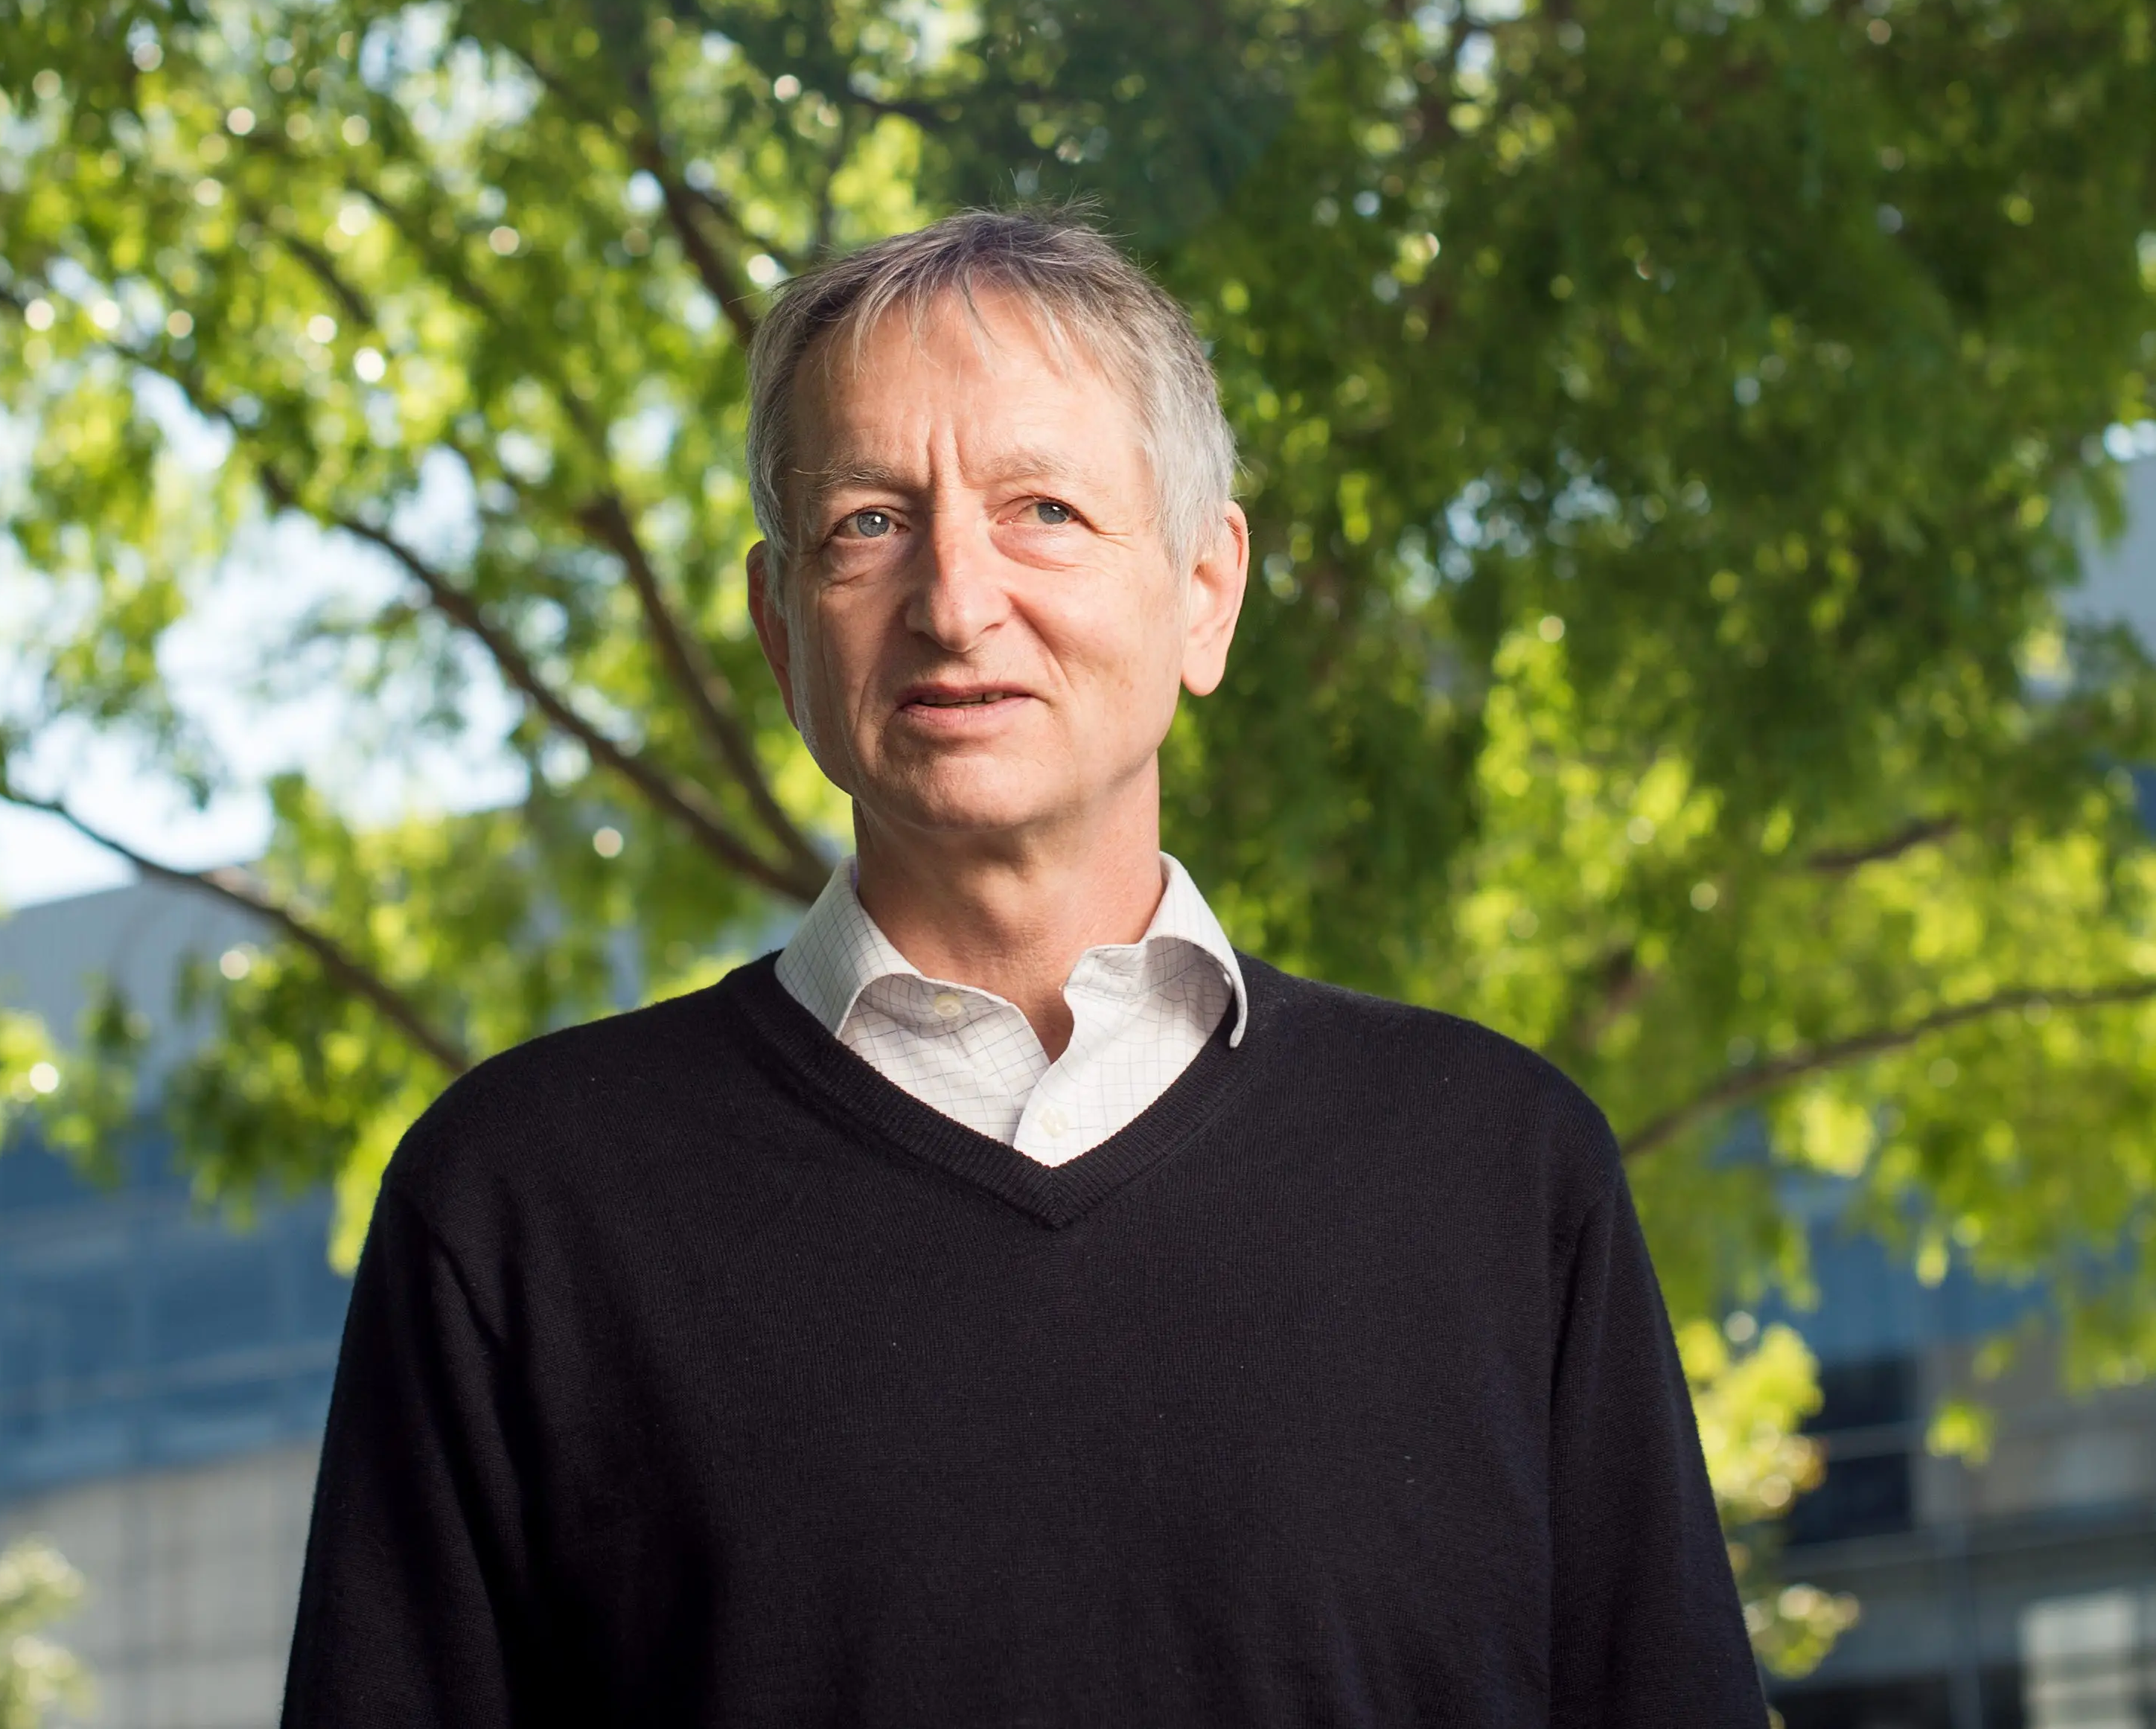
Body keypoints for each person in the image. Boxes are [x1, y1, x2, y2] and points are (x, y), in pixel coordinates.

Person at [279, 211, 1769, 1727]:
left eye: (1041, 508)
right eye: (865, 521)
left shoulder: (1497, 1173)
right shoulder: (522, 1205)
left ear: (1203, 588)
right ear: (780, 623)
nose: (954, 599)